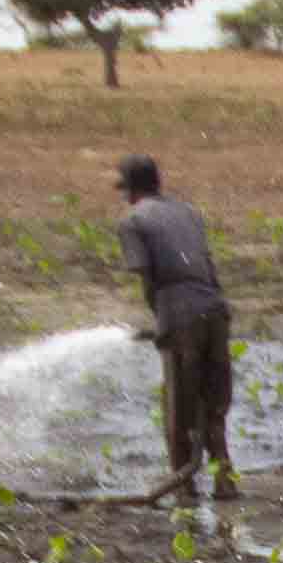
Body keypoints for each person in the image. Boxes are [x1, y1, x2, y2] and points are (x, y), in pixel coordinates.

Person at [112, 152, 236, 512]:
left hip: (179, 313)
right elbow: (207, 267)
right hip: (215, 310)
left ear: (130, 190)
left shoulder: (133, 221)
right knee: (213, 403)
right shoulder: (188, 212)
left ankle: (184, 487)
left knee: (178, 407)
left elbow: (147, 276)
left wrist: (162, 322)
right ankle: (224, 479)